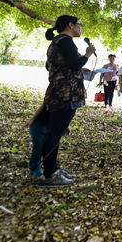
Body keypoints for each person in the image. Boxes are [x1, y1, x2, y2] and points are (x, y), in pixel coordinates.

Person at [37, 15, 95, 187]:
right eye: (79, 24)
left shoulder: (57, 42)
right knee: (54, 135)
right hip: (65, 94)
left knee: (55, 132)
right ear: (71, 25)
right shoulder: (65, 41)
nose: (81, 27)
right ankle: (50, 175)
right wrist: (88, 54)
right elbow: (75, 63)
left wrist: (75, 69)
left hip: (58, 92)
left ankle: (52, 169)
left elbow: (51, 66)